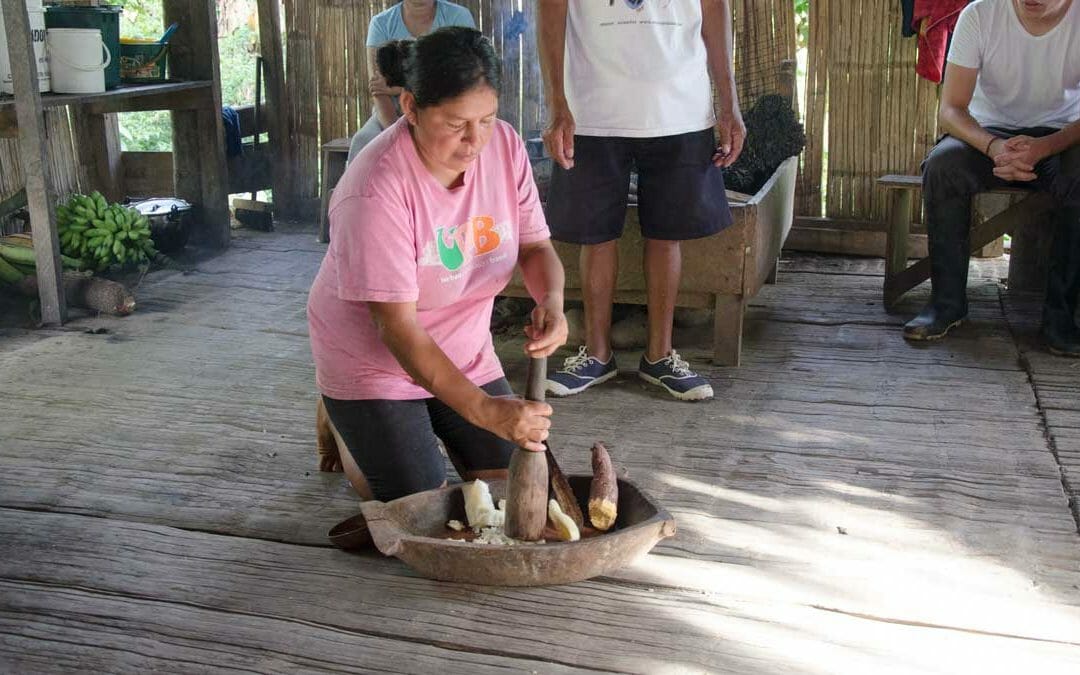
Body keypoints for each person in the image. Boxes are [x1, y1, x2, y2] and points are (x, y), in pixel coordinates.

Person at [308, 27, 569, 502]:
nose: (475, 141)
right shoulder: (374, 188)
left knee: (518, 495)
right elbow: (398, 330)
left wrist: (551, 301)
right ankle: (346, 420)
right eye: (455, 124)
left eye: (487, 119)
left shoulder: (505, 147)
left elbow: (535, 248)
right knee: (419, 505)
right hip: (375, 361)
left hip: (463, 349)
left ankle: (400, 424)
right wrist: (487, 411)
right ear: (410, 107)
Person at [538, 0, 745, 402]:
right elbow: (550, 11)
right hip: (591, 107)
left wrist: (729, 99)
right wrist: (557, 103)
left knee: (668, 234)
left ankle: (660, 356)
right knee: (595, 234)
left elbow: (715, 9)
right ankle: (597, 354)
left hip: (679, 105)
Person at [904, 0, 1080, 356]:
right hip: (987, 134)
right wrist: (995, 147)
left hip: (1061, 137)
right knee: (942, 167)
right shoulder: (980, 14)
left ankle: (1060, 318)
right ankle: (946, 305)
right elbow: (951, 109)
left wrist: (1043, 147)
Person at [347, 0, 476, 163]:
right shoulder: (381, 23)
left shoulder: (458, 17)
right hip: (393, 109)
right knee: (363, 142)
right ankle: (352, 189)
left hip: (446, 106)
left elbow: (463, 78)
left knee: (456, 146)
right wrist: (395, 132)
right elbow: (379, 91)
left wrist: (396, 88)